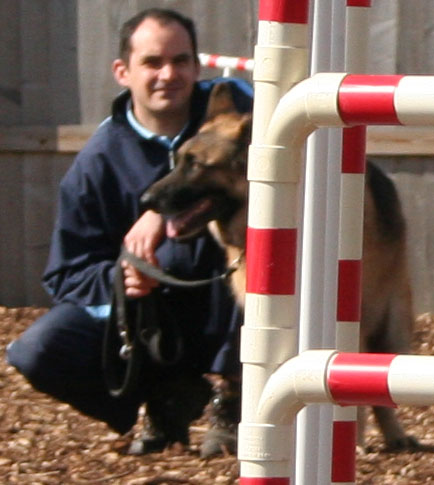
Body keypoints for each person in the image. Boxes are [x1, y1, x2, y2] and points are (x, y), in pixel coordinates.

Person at [6, 8, 253, 457]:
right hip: (150, 318)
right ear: (123, 72)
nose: (168, 74)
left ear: (197, 68)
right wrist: (121, 279)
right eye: (153, 62)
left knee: (242, 239)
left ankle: (235, 398)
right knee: (36, 350)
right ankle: (165, 397)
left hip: (232, 299)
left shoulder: (233, 109)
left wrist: (164, 209)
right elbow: (66, 275)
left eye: (181, 61)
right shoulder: (96, 163)